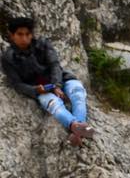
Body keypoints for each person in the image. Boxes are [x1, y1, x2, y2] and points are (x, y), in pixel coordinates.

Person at [3, 16, 93, 146]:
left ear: (32, 34)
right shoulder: (8, 58)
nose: (24, 38)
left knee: (78, 92)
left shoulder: (43, 45)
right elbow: (17, 84)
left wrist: (57, 85)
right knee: (53, 104)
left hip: (62, 79)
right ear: (12, 35)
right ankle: (75, 125)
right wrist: (35, 90)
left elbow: (55, 65)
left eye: (27, 34)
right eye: (20, 34)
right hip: (40, 90)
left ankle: (77, 130)